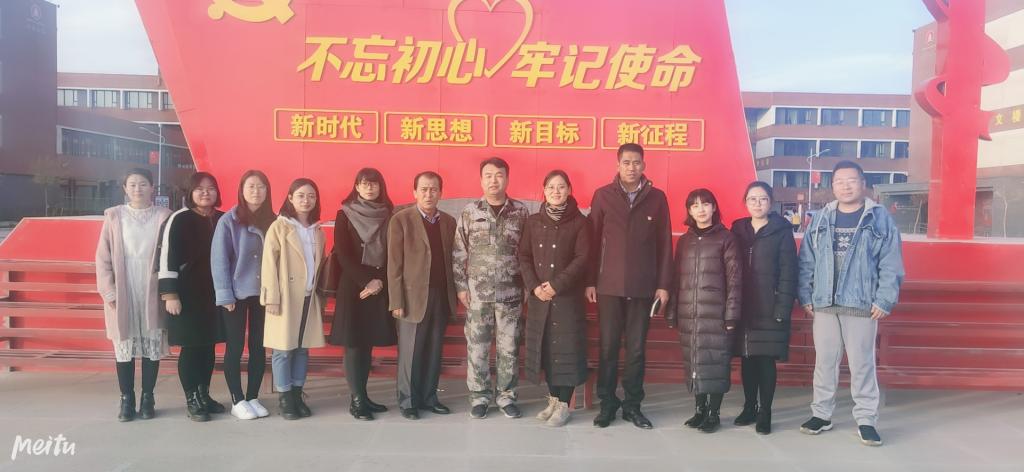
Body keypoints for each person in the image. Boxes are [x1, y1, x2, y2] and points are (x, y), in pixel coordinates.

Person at [798, 160, 905, 447]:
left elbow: (891, 262)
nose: (845, 186)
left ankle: (866, 419)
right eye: (839, 181)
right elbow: (807, 260)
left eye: (851, 180)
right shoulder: (820, 218)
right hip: (824, 303)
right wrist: (806, 295)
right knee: (824, 363)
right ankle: (821, 415)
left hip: (861, 303)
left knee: (862, 364)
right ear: (832, 186)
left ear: (863, 184)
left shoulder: (878, 218)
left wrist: (884, 299)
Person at [586, 143, 672, 429]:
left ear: (644, 165)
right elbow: (592, 241)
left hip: (643, 287)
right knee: (608, 348)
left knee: (636, 350)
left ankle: (633, 406)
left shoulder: (657, 198)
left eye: (636, 162)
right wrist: (590, 281)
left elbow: (664, 244)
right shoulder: (603, 195)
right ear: (618, 165)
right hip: (608, 286)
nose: (632, 167)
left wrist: (663, 285)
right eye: (626, 162)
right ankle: (607, 404)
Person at [453, 157, 530, 419]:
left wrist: (527, 286)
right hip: (478, 294)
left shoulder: (520, 212)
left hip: (511, 294)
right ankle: (480, 397)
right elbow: (459, 252)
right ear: (481, 180)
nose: (493, 180)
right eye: (488, 175)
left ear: (507, 178)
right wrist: (461, 287)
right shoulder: (470, 211)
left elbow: (527, 252)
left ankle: (507, 396)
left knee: (509, 348)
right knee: (478, 347)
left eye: (499, 175)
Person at [96, 168, 171, 421]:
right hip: (124, 288)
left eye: (143, 184)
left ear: (152, 188)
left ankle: (148, 397)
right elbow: (102, 258)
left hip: (152, 288)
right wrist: (109, 291)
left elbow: (171, 254)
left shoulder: (164, 216)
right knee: (124, 345)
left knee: (151, 344)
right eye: (132, 184)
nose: (138, 189)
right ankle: (126, 399)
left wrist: (168, 290)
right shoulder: (114, 216)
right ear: (125, 189)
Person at [518, 170, 591, 427]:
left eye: (561, 187)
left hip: (567, 298)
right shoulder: (533, 222)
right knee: (547, 349)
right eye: (551, 187)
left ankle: (563, 405)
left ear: (569, 190)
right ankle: (552, 399)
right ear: (544, 191)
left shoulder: (580, 223)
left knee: (566, 350)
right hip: (540, 298)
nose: (556, 191)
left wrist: (556, 285)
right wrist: (534, 287)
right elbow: (524, 256)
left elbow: (582, 258)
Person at [666, 188, 742, 433]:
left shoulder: (726, 238)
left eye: (705, 204)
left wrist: (731, 314)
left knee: (716, 363)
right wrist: (672, 312)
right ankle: (699, 410)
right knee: (695, 361)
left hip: (716, 314)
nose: (701, 209)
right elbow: (676, 278)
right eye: (695, 205)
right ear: (689, 211)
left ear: (714, 207)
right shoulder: (685, 241)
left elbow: (735, 279)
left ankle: (713, 414)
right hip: (689, 313)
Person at [328, 168, 398, 420]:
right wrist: (367, 281)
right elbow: (343, 254)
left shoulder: (390, 214)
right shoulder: (345, 214)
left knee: (367, 345)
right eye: (364, 183)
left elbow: (394, 252)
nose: (369, 188)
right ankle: (356, 400)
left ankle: (364, 396)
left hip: (379, 285)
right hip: (354, 287)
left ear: (381, 187)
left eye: (374, 184)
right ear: (356, 187)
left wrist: (380, 281)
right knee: (354, 344)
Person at [157, 172, 227, 422]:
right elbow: (167, 256)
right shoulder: (179, 218)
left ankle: (204, 394)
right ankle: (192, 398)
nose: (206, 193)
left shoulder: (222, 219)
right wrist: (170, 293)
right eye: (199, 189)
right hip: (186, 295)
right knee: (191, 347)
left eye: (211, 188)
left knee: (208, 346)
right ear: (190, 192)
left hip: (214, 295)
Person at [388, 171, 458, 420]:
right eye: (424, 189)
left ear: (441, 193)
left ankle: (429, 397)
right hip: (412, 298)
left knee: (434, 350)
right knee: (411, 352)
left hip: (441, 295)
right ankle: (408, 400)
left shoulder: (448, 221)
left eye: (434, 189)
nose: (429, 194)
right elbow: (394, 264)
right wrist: (396, 300)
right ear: (415, 192)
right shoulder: (401, 220)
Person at [730, 182, 797, 435]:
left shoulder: (782, 230)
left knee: (766, 360)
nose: (757, 204)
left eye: (763, 199)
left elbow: (789, 272)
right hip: (744, 306)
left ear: (771, 202)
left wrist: (783, 308)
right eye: (752, 199)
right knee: (747, 358)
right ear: (745, 202)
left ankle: (765, 412)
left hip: (770, 306)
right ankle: (749, 407)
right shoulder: (738, 229)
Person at [261, 178, 327, 420]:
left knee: (302, 349)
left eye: (311, 196)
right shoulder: (280, 227)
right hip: (285, 297)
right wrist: (271, 297)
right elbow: (269, 264)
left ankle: (298, 393)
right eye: (300, 195)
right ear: (290, 198)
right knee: (282, 350)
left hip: (309, 296)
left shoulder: (317, 231)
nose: (306, 200)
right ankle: (285, 397)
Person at [211, 170, 274, 420]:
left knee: (259, 346)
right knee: (235, 346)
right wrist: (225, 295)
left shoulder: (273, 220)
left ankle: (253, 396)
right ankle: (237, 399)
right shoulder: (229, 220)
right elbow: (219, 260)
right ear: (242, 190)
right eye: (251, 186)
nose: (256, 191)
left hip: (264, 294)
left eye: (261, 186)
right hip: (236, 294)